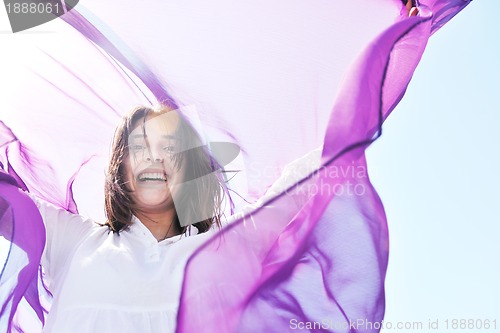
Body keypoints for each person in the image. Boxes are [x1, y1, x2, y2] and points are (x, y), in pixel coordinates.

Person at [2, 105, 228, 332]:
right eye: (139, 146)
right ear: (120, 167)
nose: (154, 155)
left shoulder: (224, 248)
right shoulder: (72, 240)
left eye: (169, 147)